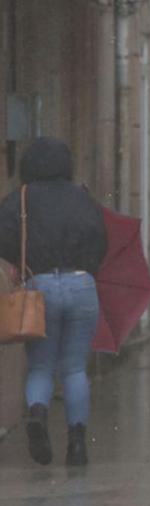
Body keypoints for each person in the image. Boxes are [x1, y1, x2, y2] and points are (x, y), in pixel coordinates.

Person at [0, 138, 106, 466]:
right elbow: (100, 242)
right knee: (74, 368)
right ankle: (76, 444)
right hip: (81, 284)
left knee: (41, 366)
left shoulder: (21, 198)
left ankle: (37, 415)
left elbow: (3, 238)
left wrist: (22, 258)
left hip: (40, 286)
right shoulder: (82, 197)